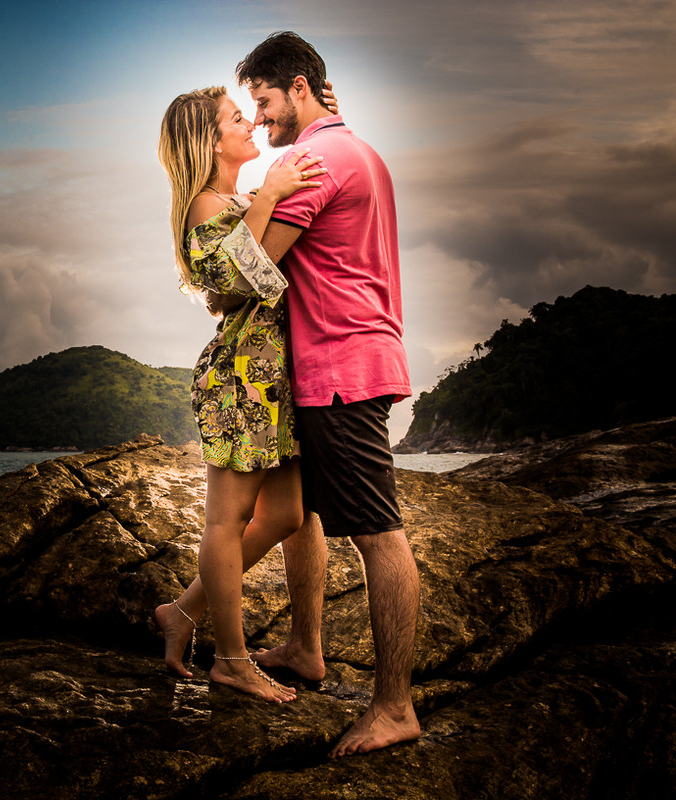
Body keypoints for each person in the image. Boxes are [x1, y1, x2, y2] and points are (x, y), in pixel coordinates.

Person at [237, 31, 421, 757]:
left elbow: (253, 273)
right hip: (355, 358)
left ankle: (395, 705)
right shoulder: (356, 151)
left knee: (379, 533)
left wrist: (246, 199)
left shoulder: (307, 161)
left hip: (341, 367)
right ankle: (306, 647)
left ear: (300, 87)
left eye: (264, 100)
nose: (258, 119)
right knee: (306, 509)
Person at [155, 85, 329, 703]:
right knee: (226, 520)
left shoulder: (233, 198)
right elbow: (235, 279)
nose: (250, 122)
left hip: (274, 380)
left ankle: (180, 612)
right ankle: (231, 660)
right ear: (209, 141)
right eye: (237, 118)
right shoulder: (206, 204)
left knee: (286, 513)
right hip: (240, 379)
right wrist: (273, 196)